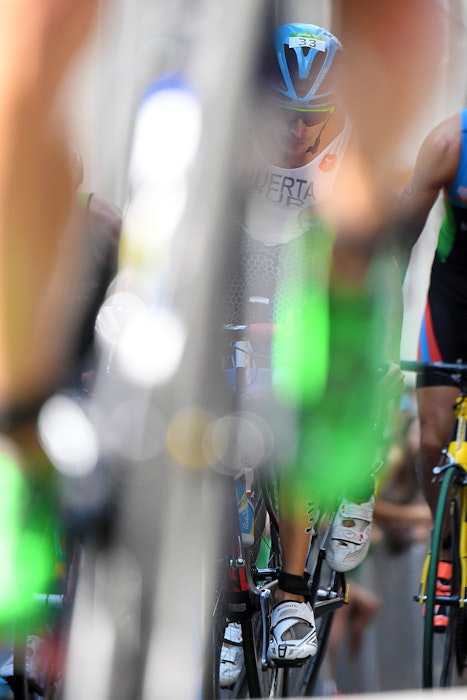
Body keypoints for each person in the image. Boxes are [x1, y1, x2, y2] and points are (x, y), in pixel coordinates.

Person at [220, 21, 403, 686]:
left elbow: (361, 265)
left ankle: (291, 591)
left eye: (312, 117)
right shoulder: (235, 134)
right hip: (244, 249)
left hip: (313, 253)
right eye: (285, 116)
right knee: (219, 415)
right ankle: (226, 600)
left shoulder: (352, 147)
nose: (297, 133)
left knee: (298, 408)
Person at [394, 109, 467, 628]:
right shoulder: (449, 144)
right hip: (453, 302)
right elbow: (399, 242)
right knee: (431, 441)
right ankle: (443, 545)